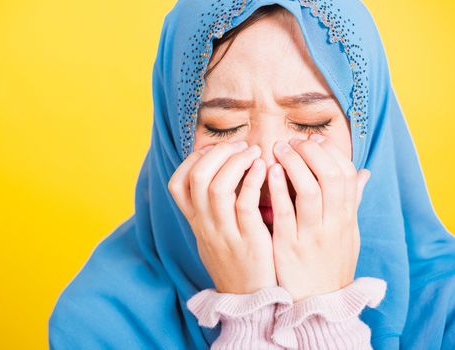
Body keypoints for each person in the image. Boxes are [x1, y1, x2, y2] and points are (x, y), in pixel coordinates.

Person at [48, 0, 455, 349]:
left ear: (366, 133)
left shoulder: (447, 309)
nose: (266, 167)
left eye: (311, 122)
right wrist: (250, 318)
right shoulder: (98, 321)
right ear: (175, 138)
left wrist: (323, 311)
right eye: (222, 127)